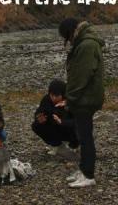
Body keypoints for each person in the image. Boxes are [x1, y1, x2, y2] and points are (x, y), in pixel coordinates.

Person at [58, 18, 105, 188]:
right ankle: (84, 169)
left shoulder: (86, 45)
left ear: (72, 32)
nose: (68, 41)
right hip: (84, 98)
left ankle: (88, 175)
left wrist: (70, 98)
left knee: (85, 138)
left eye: (67, 37)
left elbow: (81, 77)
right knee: (82, 134)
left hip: (86, 99)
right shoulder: (85, 42)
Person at [32, 79, 79, 155]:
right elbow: (40, 111)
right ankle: (56, 145)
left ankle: (73, 145)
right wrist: (39, 118)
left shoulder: (72, 101)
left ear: (63, 94)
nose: (54, 98)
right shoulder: (46, 99)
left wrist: (62, 122)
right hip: (55, 128)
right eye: (52, 95)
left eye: (57, 96)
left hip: (70, 131)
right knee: (36, 125)